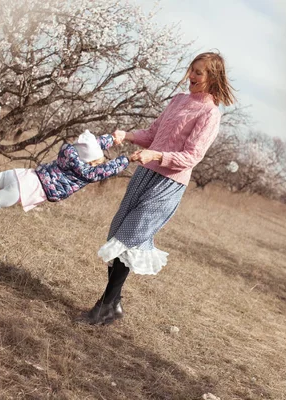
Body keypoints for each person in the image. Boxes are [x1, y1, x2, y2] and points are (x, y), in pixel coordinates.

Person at [85, 51, 236, 325]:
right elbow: (153, 135)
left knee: (129, 237)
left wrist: (157, 156)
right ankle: (113, 305)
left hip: (168, 184)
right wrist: (127, 135)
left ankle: (104, 307)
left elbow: (191, 157)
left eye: (199, 72)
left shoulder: (210, 114)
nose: (191, 75)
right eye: (192, 69)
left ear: (212, 78)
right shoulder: (178, 100)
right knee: (118, 234)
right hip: (144, 175)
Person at [0, 130, 129, 231]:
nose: (97, 164)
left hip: (24, 174)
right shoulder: (86, 171)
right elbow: (105, 170)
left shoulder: (70, 151)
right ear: (92, 162)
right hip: (28, 188)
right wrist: (128, 159)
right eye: (96, 162)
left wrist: (112, 138)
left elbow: (92, 145)